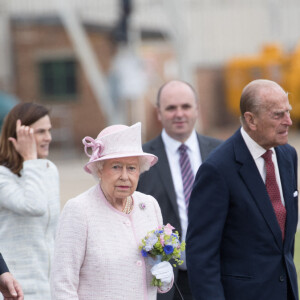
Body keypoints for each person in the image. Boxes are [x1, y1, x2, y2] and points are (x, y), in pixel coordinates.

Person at [186, 79, 299, 300]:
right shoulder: (217, 169)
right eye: (278, 115)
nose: (289, 121)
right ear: (251, 120)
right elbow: (201, 256)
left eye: (288, 111)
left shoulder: (288, 156)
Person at [50, 122, 174, 299]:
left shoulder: (149, 205)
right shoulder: (79, 210)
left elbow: (155, 273)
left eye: (131, 168)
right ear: (99, 170)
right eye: (116, 167)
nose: (125, 176)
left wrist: (165, 279)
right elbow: (62, 284)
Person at [137, 80, 222, 300]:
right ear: (159, 113)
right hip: (162, 281)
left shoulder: (221, 153)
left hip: (215, 276)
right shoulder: (141, 159)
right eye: (171, 108)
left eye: (185, 106)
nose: (179, 113)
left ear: (197, 109)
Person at [0, 103, 60, 300]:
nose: (48, 137)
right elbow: (34, 206)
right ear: (19, 135)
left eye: (49, 130)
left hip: (50, 289)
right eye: (40, 131)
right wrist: (30, 159)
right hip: (16, 291)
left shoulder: (49, 169)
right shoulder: (2, 175)